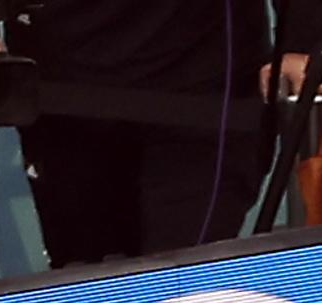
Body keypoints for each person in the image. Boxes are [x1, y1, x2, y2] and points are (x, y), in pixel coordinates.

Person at [23, 0, 261, 263]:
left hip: (200, 92)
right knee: (85, 280)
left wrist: (302, 41)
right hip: (62, 93)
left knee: (185, 276)